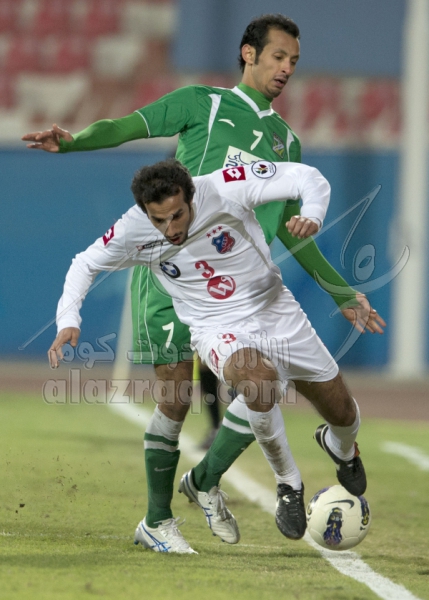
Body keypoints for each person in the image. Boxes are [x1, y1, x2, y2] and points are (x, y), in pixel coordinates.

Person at [24, 14, 385, 552]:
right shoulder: (203, 103)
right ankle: (160, 518)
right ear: (248, 53)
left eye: (294, 61)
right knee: (176, 399)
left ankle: (207, 481)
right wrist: (75, 143)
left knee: (276, 389)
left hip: (247, 287)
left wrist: (339, 291)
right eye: (278, 56)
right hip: (172, 275)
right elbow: (128, 126)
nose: (287, 68)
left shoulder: (286, 142)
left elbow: (292, 228)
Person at [49, 158, 371, 555]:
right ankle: (289, 483)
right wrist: (68, 319)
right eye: (159, 220)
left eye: (177, 215)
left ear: (191, 196)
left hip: (276, 311)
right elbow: (84, 263)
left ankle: (342, 448)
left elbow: (308, 177)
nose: (171, 229)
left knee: (343, 413)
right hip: (215, 327)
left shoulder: (226, 187)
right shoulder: (134, 228)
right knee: (259, 383)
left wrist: (313, 215)